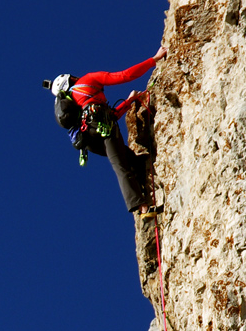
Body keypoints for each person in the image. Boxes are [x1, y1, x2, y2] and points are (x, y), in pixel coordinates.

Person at [46, 46, 168, 215]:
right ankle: (143, 207)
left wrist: (128, 102)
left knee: (130, 161)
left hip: (89, 141)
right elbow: (125, 75)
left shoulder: (78, 106)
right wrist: (154, 59)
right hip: (103, 128)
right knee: (121, 166)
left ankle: (144, 194)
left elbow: (106, 116)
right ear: (71, 79)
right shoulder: (87, 80)